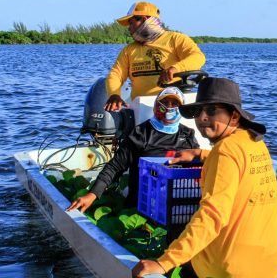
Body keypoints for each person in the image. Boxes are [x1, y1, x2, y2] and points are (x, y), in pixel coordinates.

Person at [132, 78, 277, 278]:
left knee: (181, 240)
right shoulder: (253, 141)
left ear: (234, 116)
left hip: (230, 268)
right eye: (198, 112)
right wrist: (199, 154)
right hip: (271, 261)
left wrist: (164, 263)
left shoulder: (225, 151)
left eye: (212, 111)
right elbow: (236, 163)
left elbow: (213, 216)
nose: (202, 118)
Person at [67, 87, 199, 212]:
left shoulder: (188, 134)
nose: (169, 107)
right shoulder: (141, 133)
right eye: (165, 102)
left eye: (174, 103)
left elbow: (200, 168)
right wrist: (92, 194)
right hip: (144, 203)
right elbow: (115, 166)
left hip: (179, 201)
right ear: (156, 106)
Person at [105, 1, 206, 111]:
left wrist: (175, 68)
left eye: (131, 23)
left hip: (172, 107)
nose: (129, 28)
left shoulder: (176, 39)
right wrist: (114, 95)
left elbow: (198, 57)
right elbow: (116, 74)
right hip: (141, 109)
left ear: (143, 20)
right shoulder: (129, 50)